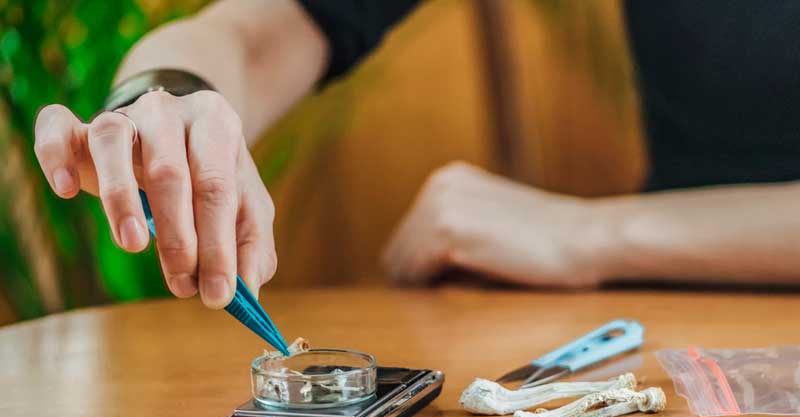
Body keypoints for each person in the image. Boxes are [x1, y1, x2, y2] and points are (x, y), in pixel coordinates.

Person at [32, 0, 800, 310]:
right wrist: (168, 99)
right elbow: (252, 34)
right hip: (667, 354)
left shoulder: (598, 240)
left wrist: (591, 234)